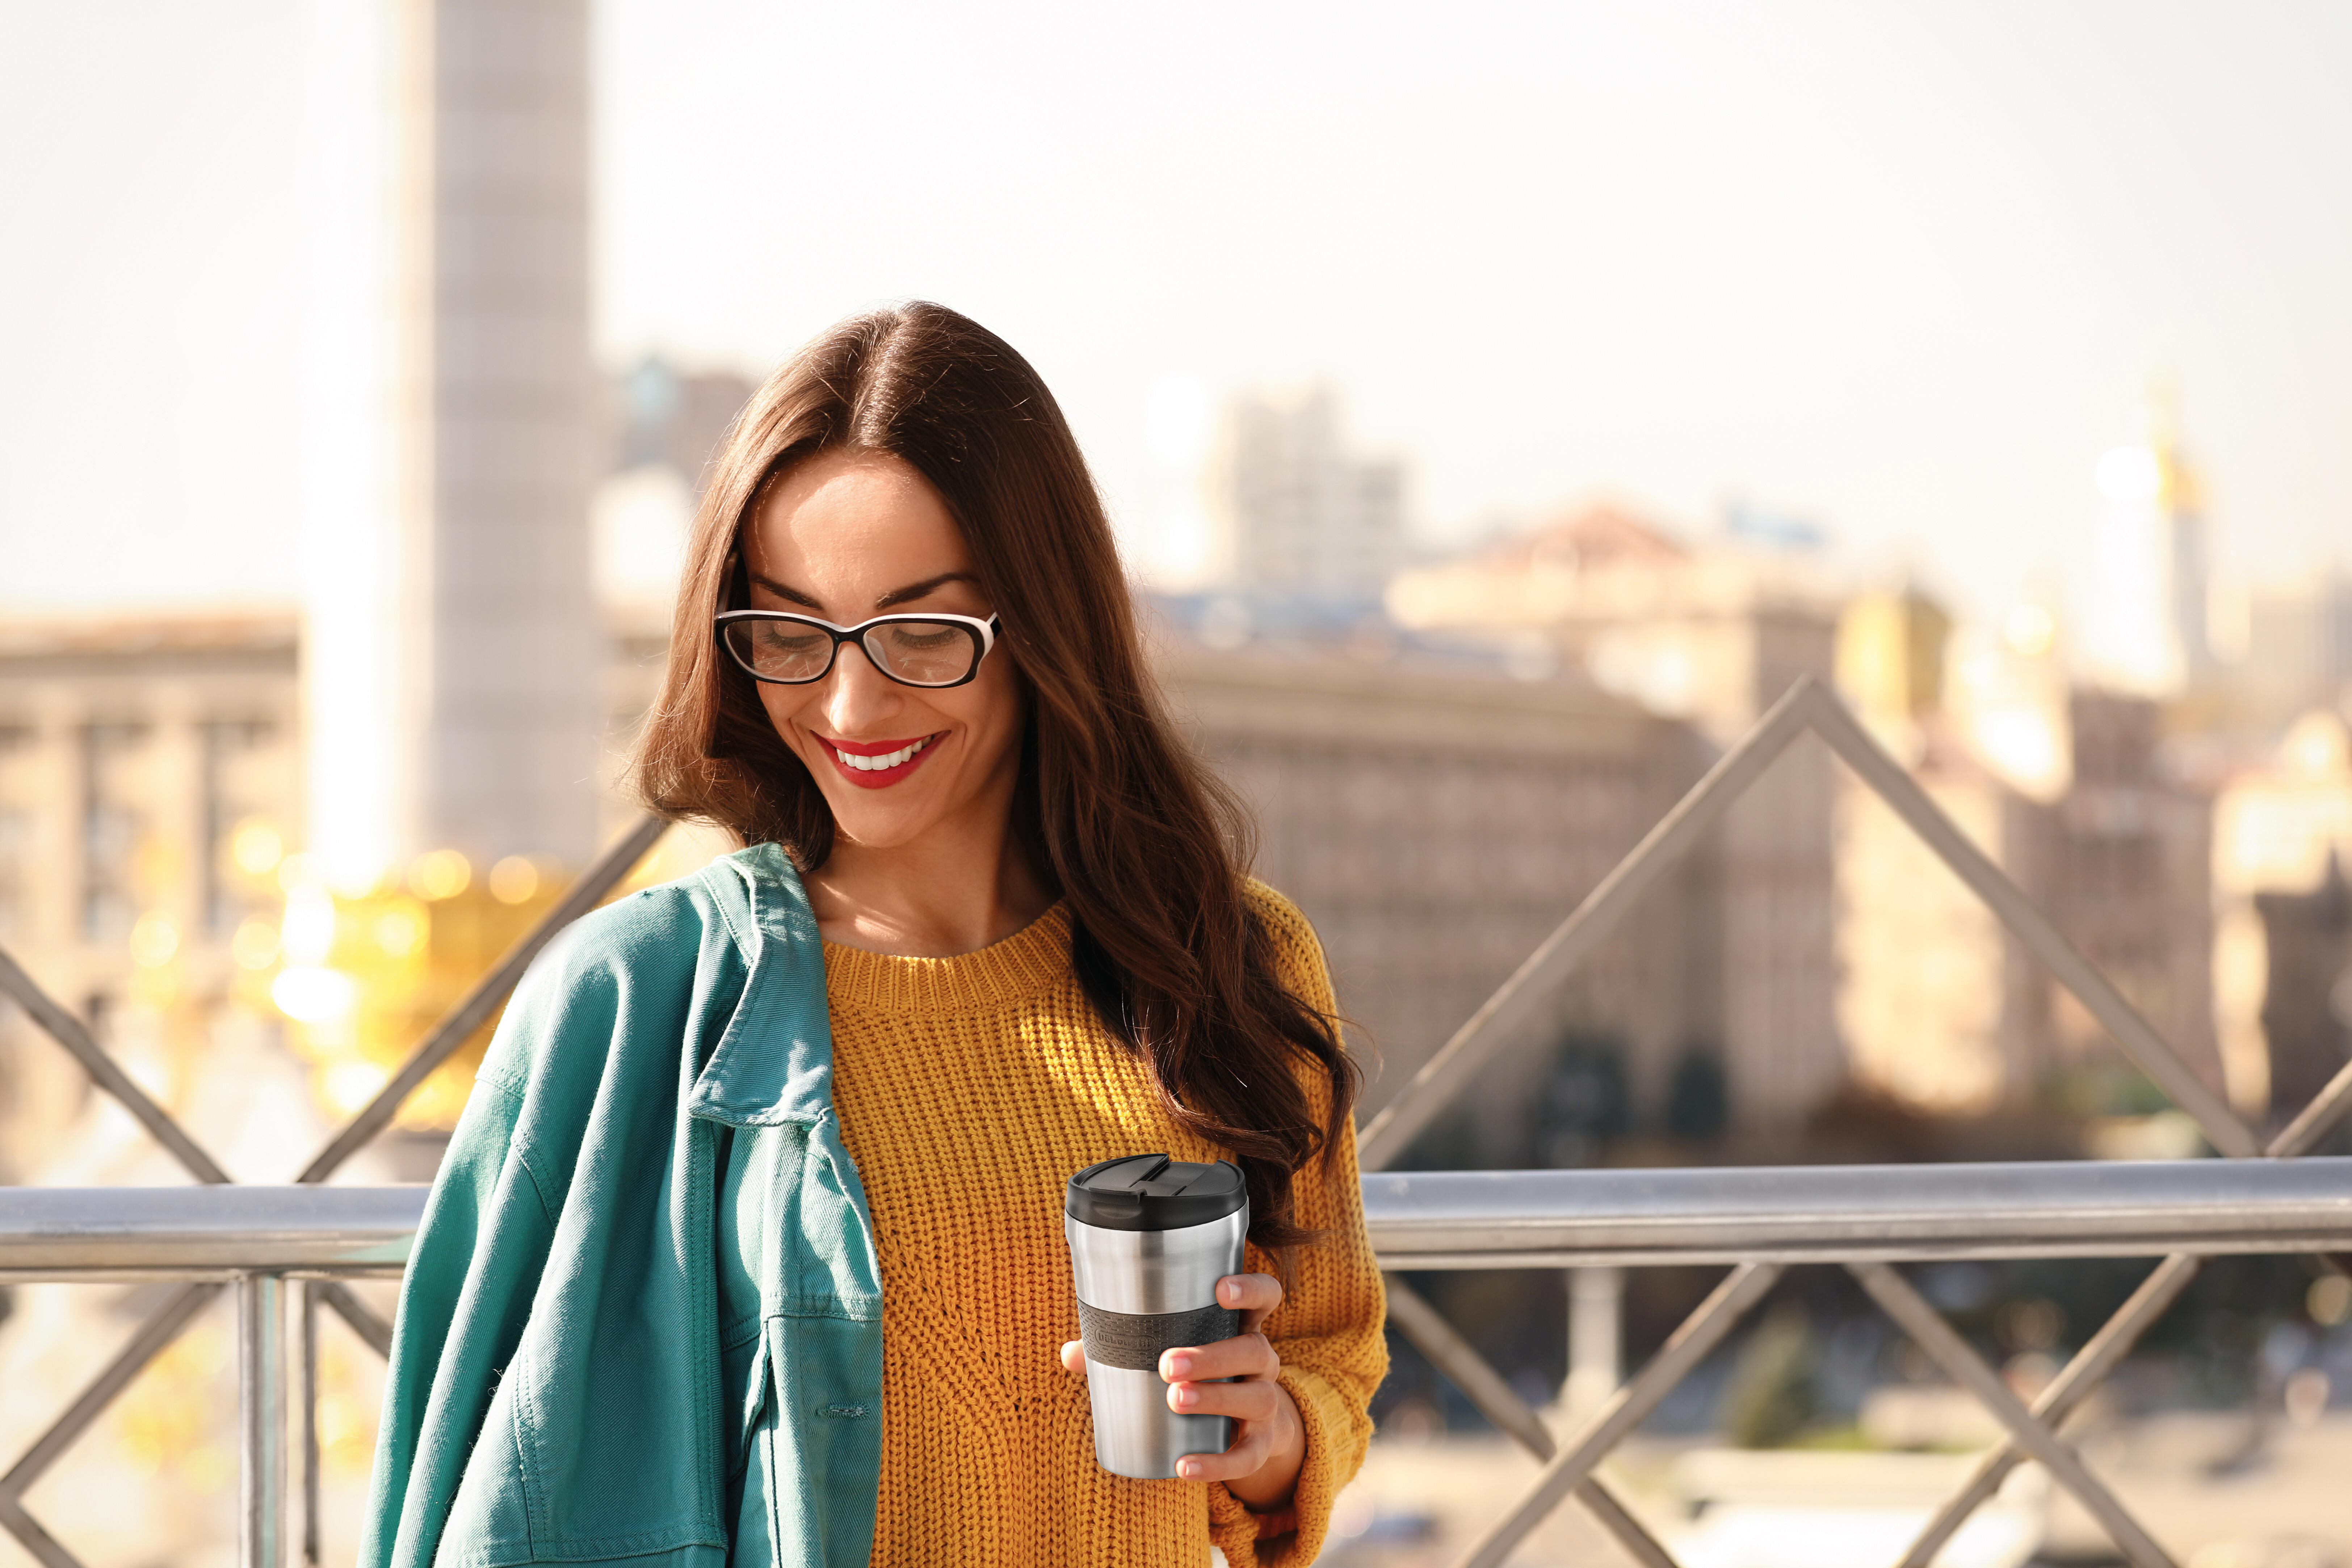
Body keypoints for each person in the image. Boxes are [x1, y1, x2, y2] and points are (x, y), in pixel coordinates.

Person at [361, 302, 1386, 1568]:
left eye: (922, 632)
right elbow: (474, 1469)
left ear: (1045, 626)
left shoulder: (1229, 963)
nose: (850, 704)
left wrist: (1273, 1433)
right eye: (790, 634)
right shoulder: (639, 998)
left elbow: (1333, 1353)